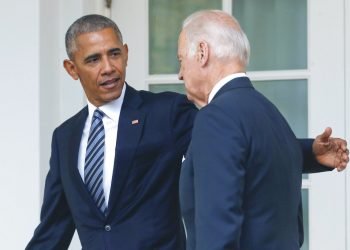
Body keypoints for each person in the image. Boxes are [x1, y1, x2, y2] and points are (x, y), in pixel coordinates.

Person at [26, 14, 348, 250]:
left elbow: (232, 141)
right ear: (72, 68)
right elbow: (53, 229)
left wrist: (308, 153)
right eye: (93, 59)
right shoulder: (65, 137)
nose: (108, 67)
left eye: (114, 54)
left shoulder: (166, 111)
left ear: (125, 53)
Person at [177, 9, 349, 250]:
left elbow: (217, 234)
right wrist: (311, 152)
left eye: (181, 60)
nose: (180, 74)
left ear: (202, 53)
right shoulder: (271, 113)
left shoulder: (215, 118)